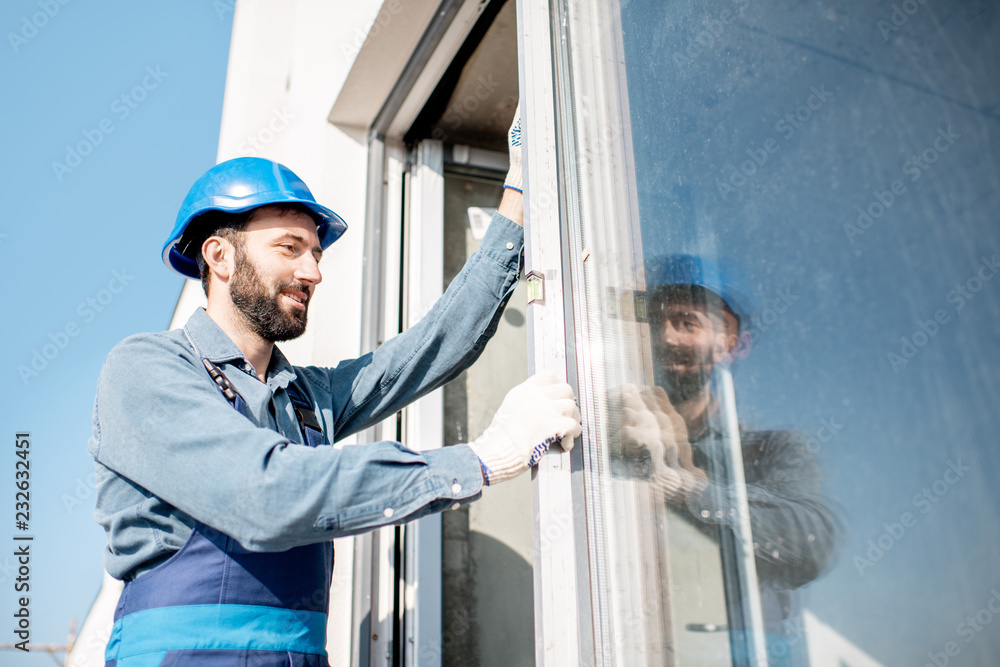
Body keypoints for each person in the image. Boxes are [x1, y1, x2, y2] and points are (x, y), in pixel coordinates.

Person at [89, 111, 582, 666]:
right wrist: (484, 458)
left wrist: (518, 191)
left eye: (317, 254)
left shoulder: (304, 398)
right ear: (219, 256)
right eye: (290, 247)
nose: (313, 271)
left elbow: (431, 348)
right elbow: (265, 495)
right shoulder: (146, 370)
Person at [616, 254, 839, 665]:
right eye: (656, 322)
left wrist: (687, 487)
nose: (667, 337)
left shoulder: (771, 450)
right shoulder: (616, 435)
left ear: (733, 344)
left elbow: (812, 542)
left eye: (687, 322)